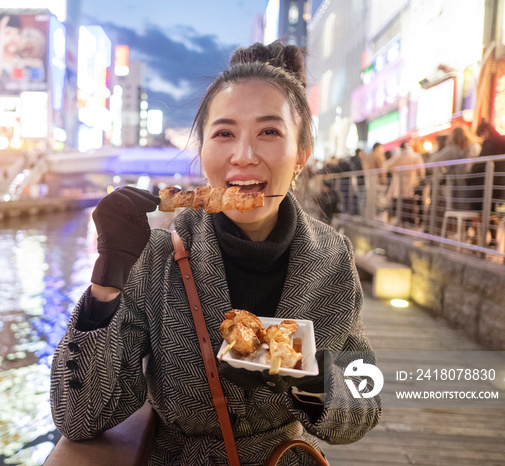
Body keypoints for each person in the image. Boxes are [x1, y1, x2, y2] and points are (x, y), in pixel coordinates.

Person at [50, 40, 381, 465]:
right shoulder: (155, 255)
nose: (243, 155)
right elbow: (77, 418)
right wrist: (107, 277)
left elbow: (363, 408)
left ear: (301, 154)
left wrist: (304, 380)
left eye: (269, 132)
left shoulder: (332, 258)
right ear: (202, 150)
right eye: (224, 133)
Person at [466, 121, 505, 246]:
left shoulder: (490, 144)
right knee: (493, 212)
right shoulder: (504, 143)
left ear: (486, 131)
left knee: (482, 211)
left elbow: (480, 163)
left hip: (487, 183)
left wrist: (469, 177)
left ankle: (479, 241)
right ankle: (493, 240)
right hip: (500, 183)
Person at [428, 127, 471, 233]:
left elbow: (431, 163)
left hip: (452, 187)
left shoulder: (452, 149)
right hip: (465, 187)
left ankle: (439, 232)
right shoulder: (467, 149)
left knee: (442, 207)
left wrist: (435, 151)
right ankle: (458, 233)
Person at [385, 142, 425, 225]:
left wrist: (395, 171)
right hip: (410, 184)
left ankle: (400, 221)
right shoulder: (414, 156)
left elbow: (387, 166)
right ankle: (409, 222)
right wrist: (418, 179)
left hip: (398, 186)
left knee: (399, 204)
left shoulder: (398, 157)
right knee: (408, 203)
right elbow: (421, 171)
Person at [362, 142, 387, 218]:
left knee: (370, 200)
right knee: (377, 201)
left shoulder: (367, 156)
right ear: (377, 148)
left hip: (368, 179)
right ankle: (376, 218)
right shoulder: (378, 155)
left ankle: (369, 217)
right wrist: (383, 181)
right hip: (376, 180)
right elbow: (381, 169)